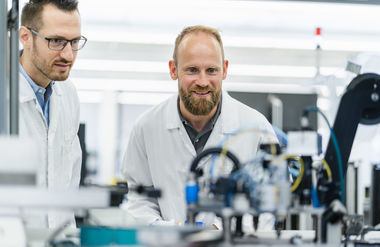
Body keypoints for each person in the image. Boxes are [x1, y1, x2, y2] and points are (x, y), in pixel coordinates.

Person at [121, 25, 277, 228]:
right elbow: (137, 199)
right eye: (192, 70)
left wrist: (219, 230)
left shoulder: (256, 129)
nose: (202, 81)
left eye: (211, 70)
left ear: (225, 70)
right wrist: (172, 231)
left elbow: (270, 202)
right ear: (173, 69)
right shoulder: (147, 127)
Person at [19, 0, 86, 228]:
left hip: (59, 244)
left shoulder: (68, 95)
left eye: (74, 42)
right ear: (26, 37)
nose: (68, 55)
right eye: (56, 41)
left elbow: (69, 180)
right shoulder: (4, 93)